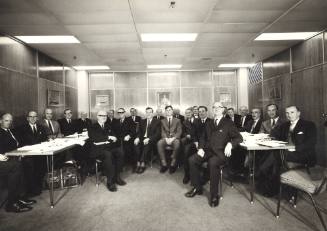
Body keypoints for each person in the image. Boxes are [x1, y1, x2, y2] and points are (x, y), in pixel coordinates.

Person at [185, 102, 242, 207]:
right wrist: (201, 148)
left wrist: (230, 144)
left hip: (221, 153)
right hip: (207, 151)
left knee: (212, 163)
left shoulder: (228, 123)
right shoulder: (209, 123)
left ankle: (214, 195)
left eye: (218, 107)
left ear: (222, 109)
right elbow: (202, 137)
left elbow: (238, 138)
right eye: (214, 107)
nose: (216, 109)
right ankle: (197, 187)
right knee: (192, 160)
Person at [0, 113, 36, 213]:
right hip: (2, 160)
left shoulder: (10, 131)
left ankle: (20, 197)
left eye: (10, 121)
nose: (9, 123)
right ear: (0, 121)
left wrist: (20, 153)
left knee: (26, 162)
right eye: (6, 120)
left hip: (11, 157)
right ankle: (11, 204)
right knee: (16, 166)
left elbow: (15, 146)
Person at [88, 110, 126, 192]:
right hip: (97, 150)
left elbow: (114, 136)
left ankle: (117, 176)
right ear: (97, 116)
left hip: (108, 147)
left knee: (120, 152)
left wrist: (113, 138)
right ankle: (110, 181)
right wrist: (108, 138)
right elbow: (95, 138)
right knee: (108, 155)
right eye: (101, 115)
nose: (104, 117)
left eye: (105, 116)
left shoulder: (108, 126)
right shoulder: (92, 126)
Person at [18, 111, 47, 197]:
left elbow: (44, 140)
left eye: (34, 116)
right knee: (30, 168)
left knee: (41, 168)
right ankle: (30, 190)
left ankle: (37, 187)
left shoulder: (42, 127)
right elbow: (20, 143)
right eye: (31, 116)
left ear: (37, 118)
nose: (33, 118)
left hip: (40, 153)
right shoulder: (22, 128)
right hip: (28, 155)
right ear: (27, 118)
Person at [134, 107, 161, 174]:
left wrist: (149, 139)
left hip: (151, 139)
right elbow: (139, 132)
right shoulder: (142, 121)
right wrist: (137, 138)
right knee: (136, 144)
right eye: (147, 112)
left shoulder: (157, 121)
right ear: (145, 113)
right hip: (142, 138)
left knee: (147, 145)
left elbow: (157, 134)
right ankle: (138, 162)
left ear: (152, 113)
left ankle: (142, 163)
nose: (148, 113)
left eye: (150, 112)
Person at [157, 105, 182, 174]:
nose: (168, 111)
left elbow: (179, 131)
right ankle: (164, 164)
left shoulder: (178, 120)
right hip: (165, 138)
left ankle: (172, 164)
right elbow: (162, 131)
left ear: (172, 111)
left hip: (174, 138)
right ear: (165, 112)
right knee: (159, 143)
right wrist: (166, 138)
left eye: (170, 110)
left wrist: (173, 138)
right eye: (167, 110)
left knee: (177, 143)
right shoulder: (162, 121)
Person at [181, 108, 197, 184]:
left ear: (192, 113)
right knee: (186, 153)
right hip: (189, 141)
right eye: (186, 113)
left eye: (189, 112)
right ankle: (187, 175)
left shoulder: (198, 120)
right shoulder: (184, 122)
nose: (188, 114)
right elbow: (183, 132)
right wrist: (186, 135)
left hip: (197, 141)